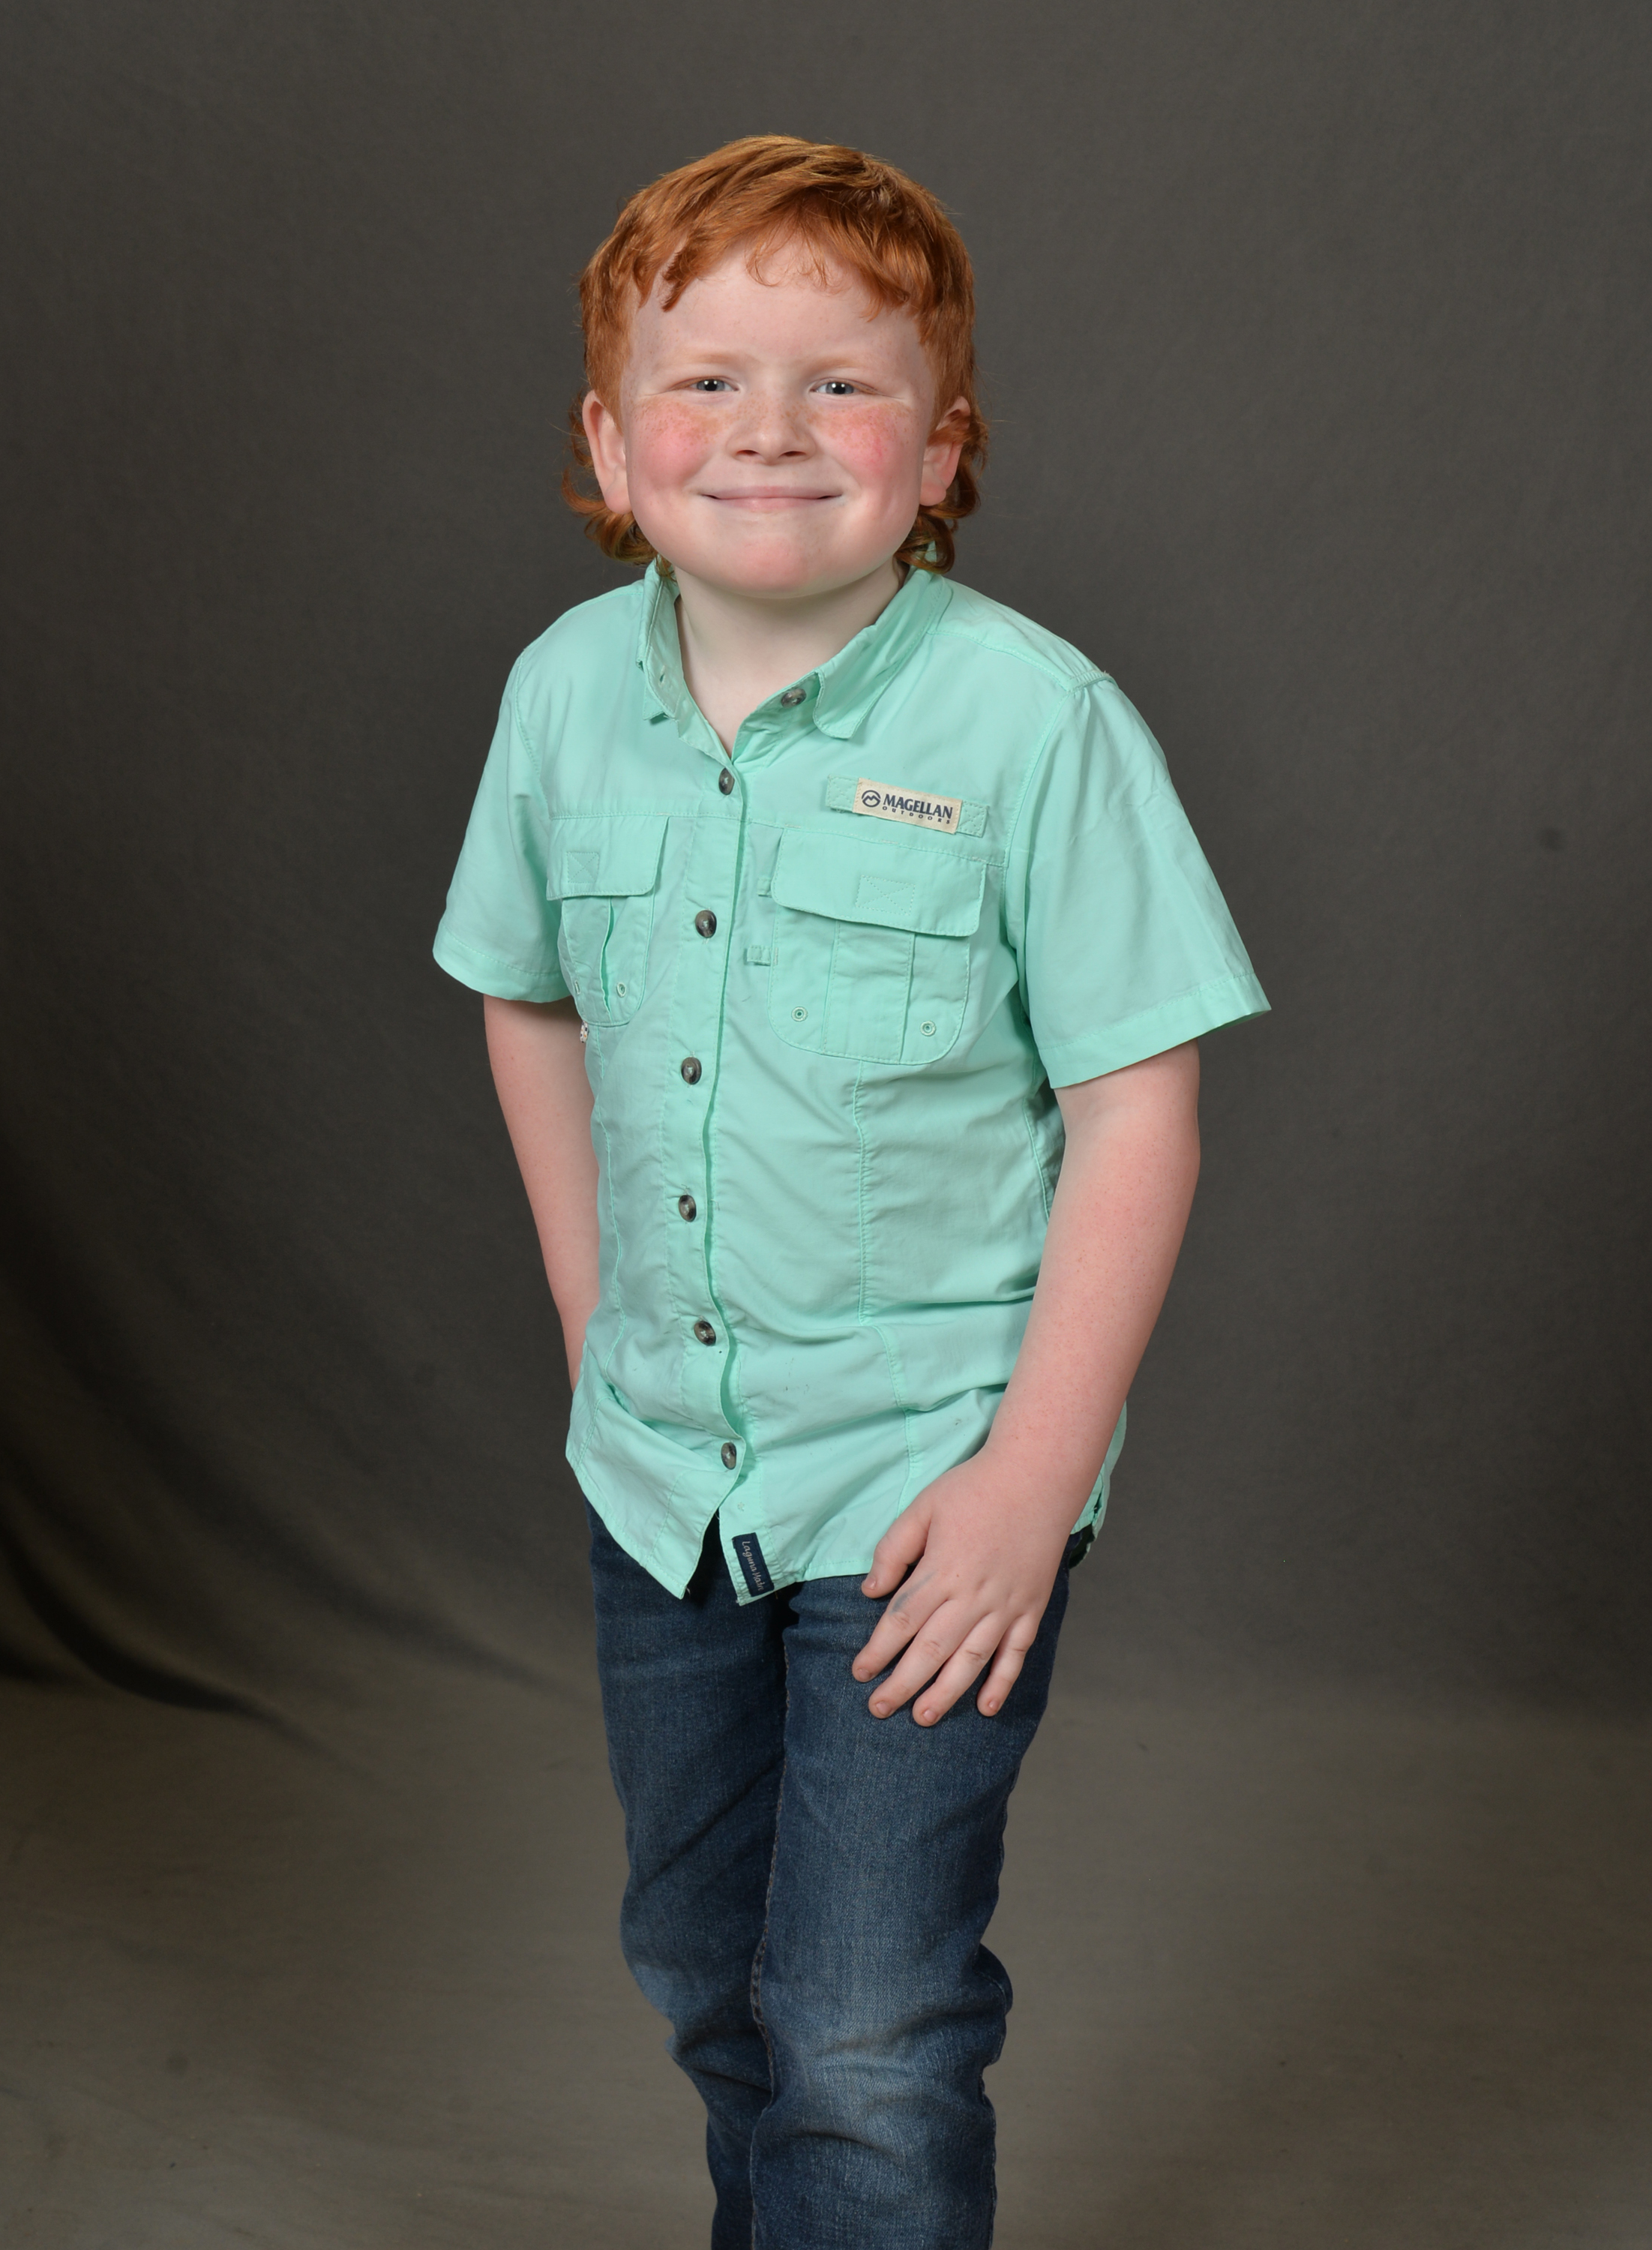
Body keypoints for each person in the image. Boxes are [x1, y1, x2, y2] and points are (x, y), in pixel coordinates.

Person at [434, 135, 1267, 2250]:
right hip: (662, 1470)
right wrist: (591, 1315)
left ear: (943, 444)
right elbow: (526, 1000)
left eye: (841, 384)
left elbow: (1141, 1112)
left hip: (928, 1486)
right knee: (703, 1962)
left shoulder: (1037, 725)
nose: (771, 431)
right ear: (609, 444)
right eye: (707, 382)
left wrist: (1030, 1483)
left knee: (867, 2016)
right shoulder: (560, 698)